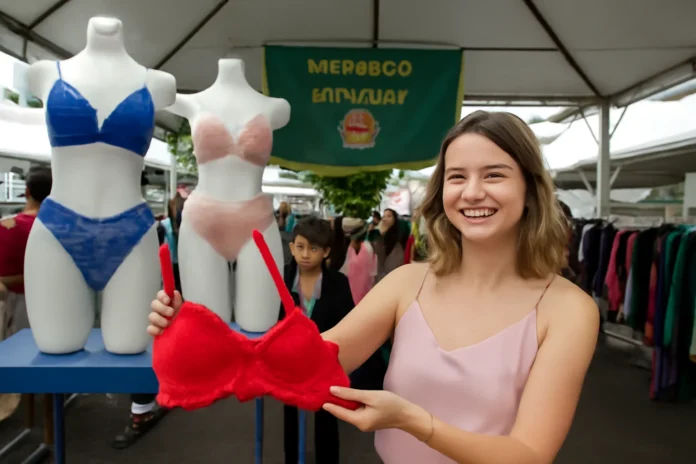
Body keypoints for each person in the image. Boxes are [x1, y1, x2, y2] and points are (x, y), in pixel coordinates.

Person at [147, 110, 599, 463]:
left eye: (494, 174)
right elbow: (309, 362)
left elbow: (528, 454)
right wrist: (197, 335)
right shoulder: (408, 283)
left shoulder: (567, 310)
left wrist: (415, 421)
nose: (472, 192)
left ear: (530, 189)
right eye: (457, 176)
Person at [280, 217, 355, 463]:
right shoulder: (282, 277)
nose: (305, 254)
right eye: (300, 247)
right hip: (290, 361)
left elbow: (348, 324)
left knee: (327, 414)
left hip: (325, 361)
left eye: (313, 248)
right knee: (290, 415)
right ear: (291, 247)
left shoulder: (338, 283)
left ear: (326, 252)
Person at [0, 166, 52, 336]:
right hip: (56, 302)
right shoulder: (65, 228)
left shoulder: (7, 227)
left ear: (27, 192)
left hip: (17, 306)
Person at [373, 208, 406, 283]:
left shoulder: (399, 240)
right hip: (379, 279)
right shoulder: (378, 237)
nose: (384, 219)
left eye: (388, 216)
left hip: (392, 279)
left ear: (394, 220)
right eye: (383, 216)